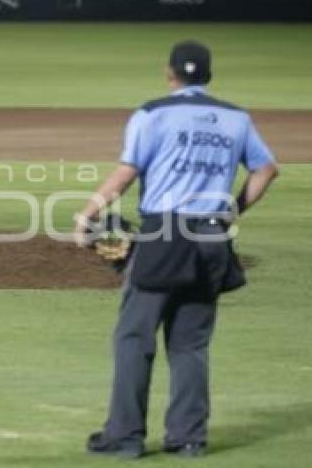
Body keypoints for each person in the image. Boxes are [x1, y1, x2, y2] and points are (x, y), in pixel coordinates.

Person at [74, 41, 279, 459]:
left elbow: (127, 171)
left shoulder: (152, 114)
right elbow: (267, 168)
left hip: (164, 237)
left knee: (135, 337)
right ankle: (188, 438)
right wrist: (232, 210)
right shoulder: (235, 118)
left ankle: (125, 436)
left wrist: (88, 212)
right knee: (190, 344)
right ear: (208, 77)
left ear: (170, 74)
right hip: (212, 240)